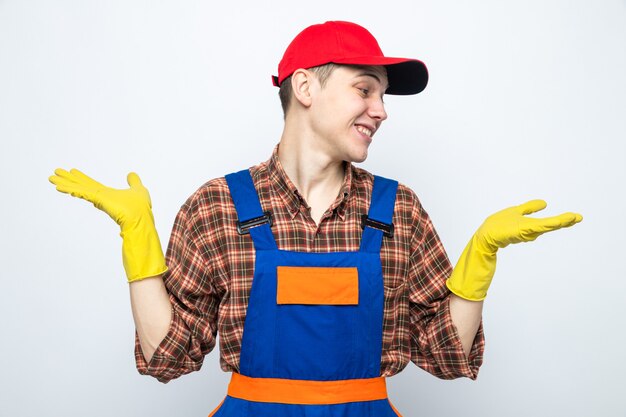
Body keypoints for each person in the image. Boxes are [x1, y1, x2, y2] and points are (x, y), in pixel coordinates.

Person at [49, 20, 582, 417]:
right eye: (364, 88)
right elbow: (167, 358)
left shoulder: (399, 210)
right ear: (305, 88)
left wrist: (480, 259)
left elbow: (446, 357)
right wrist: (139, 242)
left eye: (382, 95)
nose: (382, 110)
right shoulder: (217, 208)